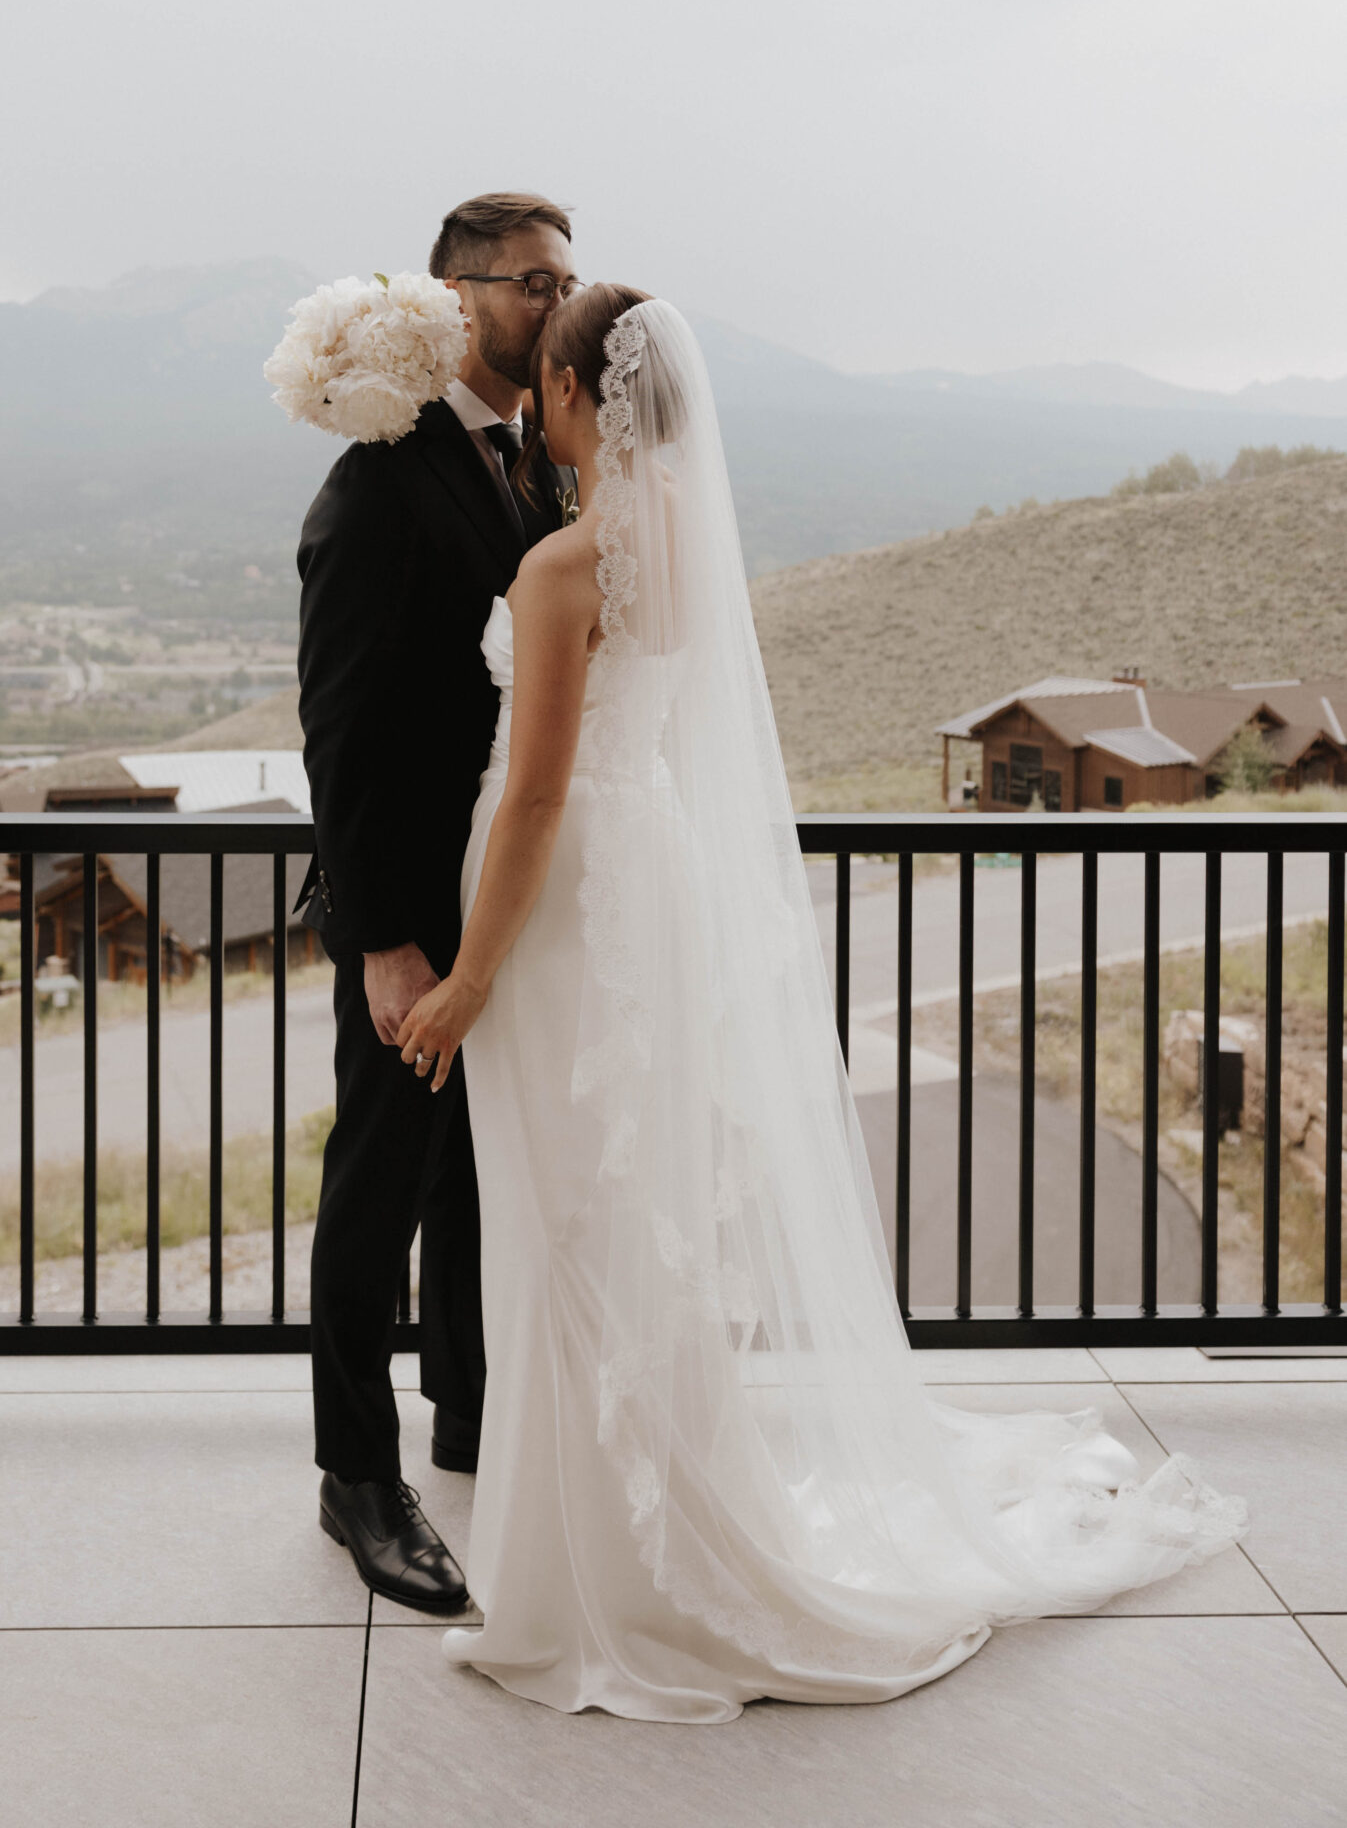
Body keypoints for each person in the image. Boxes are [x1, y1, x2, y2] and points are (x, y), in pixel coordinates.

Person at [396, 284, 1246, 1720]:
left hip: (560, 909)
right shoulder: (682, 547)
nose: (534, 404)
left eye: (543, 382)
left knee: (568, 1219)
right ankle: (656, 1527)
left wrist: (470, 974)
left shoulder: (564, 565)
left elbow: (537, 788)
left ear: (571, 395)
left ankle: (601, 1578)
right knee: (628, 1210)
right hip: (642, 877)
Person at [297, 190, 575, 1613]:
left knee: (478, 1173)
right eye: (534, 280)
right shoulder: (379, 477)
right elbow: (340, 735)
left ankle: (468, 1415)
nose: (557, 301)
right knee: (379, 1187)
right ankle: (359, 1478)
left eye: (564, 277)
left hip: (500, 894)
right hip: (413, 905)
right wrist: (384, 936)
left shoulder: (530, 465)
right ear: (458, 297)